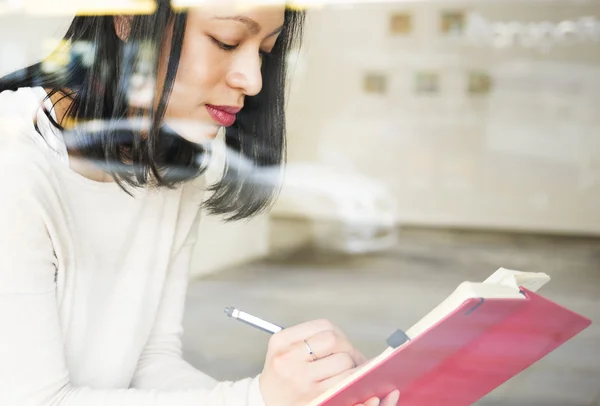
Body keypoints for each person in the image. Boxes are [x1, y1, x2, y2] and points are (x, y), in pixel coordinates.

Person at [0, 1, 400, 406]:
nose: (253, 80)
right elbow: (35, 400)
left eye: (264, 51)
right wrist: (257, 398)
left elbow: (149, 365)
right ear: (126, 17)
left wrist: (299, 397)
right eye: (226, 41)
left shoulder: (175, 161)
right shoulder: (13, 158)